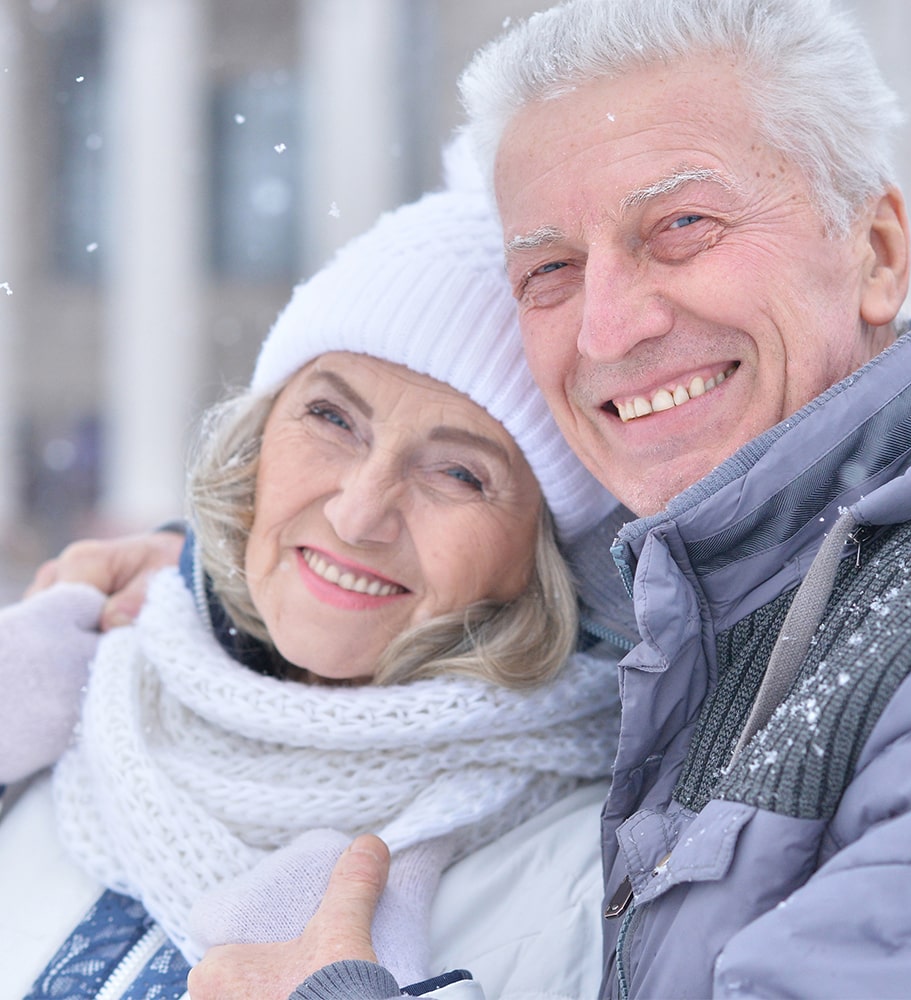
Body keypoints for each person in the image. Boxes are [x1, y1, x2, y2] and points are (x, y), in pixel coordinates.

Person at [27, 0, 911, 997]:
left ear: (875, 250)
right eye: (551, 269)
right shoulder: (713, 619)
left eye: (681, 225)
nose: (608, 328)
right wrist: (213, 580)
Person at [0, 156, 629, 1000]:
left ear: (542, 558)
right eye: (331, 418)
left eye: (459, 474)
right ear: (256, 441)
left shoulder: (591, 883)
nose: (358, 513)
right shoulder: (51, 716)